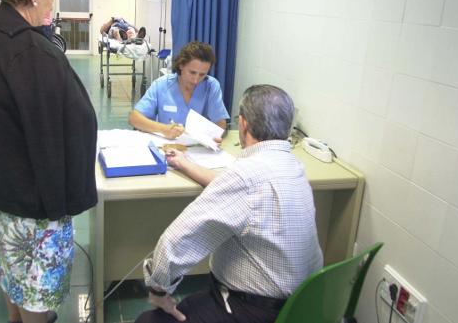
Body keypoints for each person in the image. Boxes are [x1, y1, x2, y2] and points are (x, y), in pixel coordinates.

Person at [0, 0, 98, 323]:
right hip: (32, 203)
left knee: (10, 273)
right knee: (36, 288)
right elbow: (52, 133)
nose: (53, 4)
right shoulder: (31, 54)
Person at [135, 85, 323, 323]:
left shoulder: (246, 177)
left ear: (243, 124)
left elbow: (175, 243)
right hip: (304, 304)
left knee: (148, 320)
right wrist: (184, 163)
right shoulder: (294, 166)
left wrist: (158, 291)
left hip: (257, 312)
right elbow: (239, 187)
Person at [128, 41, 229, 139]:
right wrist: (163, 129)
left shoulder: (211, 86)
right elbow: (134, 118)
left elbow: (220, 124)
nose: (196, 80)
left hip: (197, 148)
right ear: (181, 65)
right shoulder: (161, 85)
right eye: (192, 72)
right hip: (166, 146)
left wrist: (214, 137)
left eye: (202, 74)